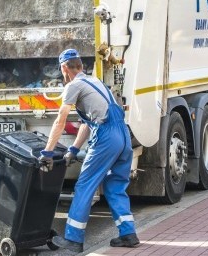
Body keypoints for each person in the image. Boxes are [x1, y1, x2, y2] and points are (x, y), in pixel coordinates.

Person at [39, 49, 139, 253]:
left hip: (107, 137)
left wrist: (48, 152)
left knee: (85, 185)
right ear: (81, 66)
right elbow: (88, 122)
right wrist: (73, 149)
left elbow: (61, 120)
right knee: (115, 185)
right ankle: (128, 234)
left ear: (64, 68)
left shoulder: (73, 86)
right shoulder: (96, 82)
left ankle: (73, 239)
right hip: (123, 134)